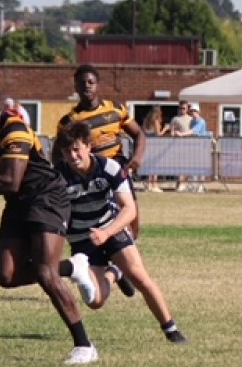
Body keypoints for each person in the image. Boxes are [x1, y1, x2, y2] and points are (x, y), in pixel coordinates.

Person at [0, 83, 98, 365]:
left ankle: (84, 345)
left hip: (46, 198)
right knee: (6, 276)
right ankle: (72, 267)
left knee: (44, 273)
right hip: (17, 202)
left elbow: (11, 180)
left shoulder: (14, 129)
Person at [55, 120, 188, 344]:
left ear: (88, 146)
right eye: (67, 151)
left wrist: (106, 233)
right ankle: (114, 273)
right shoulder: (58, 177)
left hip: (111, 228)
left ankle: (171, 329)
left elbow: (129, 209)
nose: (73, 156)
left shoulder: (109, 168)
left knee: (140, 277)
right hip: (82, 239)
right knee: (95, 302)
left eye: (76, 149)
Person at [57, 65, 148, 238]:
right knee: (100, 216)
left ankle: (131, 247)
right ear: (75, 87)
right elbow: (59, 151)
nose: (87, 86)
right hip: (93, 173)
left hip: (118, 168)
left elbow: (139, 134)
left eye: (91, 82)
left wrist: (136, 158)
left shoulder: (115, 109)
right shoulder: (69, 121)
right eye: (82, 83)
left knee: (130, 211)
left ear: (98, 84)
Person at [141, 105, 167, 192]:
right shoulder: (156, 121)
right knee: (156, 165)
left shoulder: (146, 120)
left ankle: (149, 185)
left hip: (147, 144)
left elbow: (143, 131)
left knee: (149, 165)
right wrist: (165, 129)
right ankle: (154, 185)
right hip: (155, 144)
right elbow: (158, 134)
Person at [168, 101, 193, 191]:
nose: (182, 110)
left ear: (187, 109)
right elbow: (171, 132)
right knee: (180, 166)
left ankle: (184, 184)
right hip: (178, 145)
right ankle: (180, 183)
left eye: (184, 108)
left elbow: (193, 132)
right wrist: (175, 133)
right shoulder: (175, 119)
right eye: (180, 108)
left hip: (189, 145)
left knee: (187, 165)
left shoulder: (191, 119)